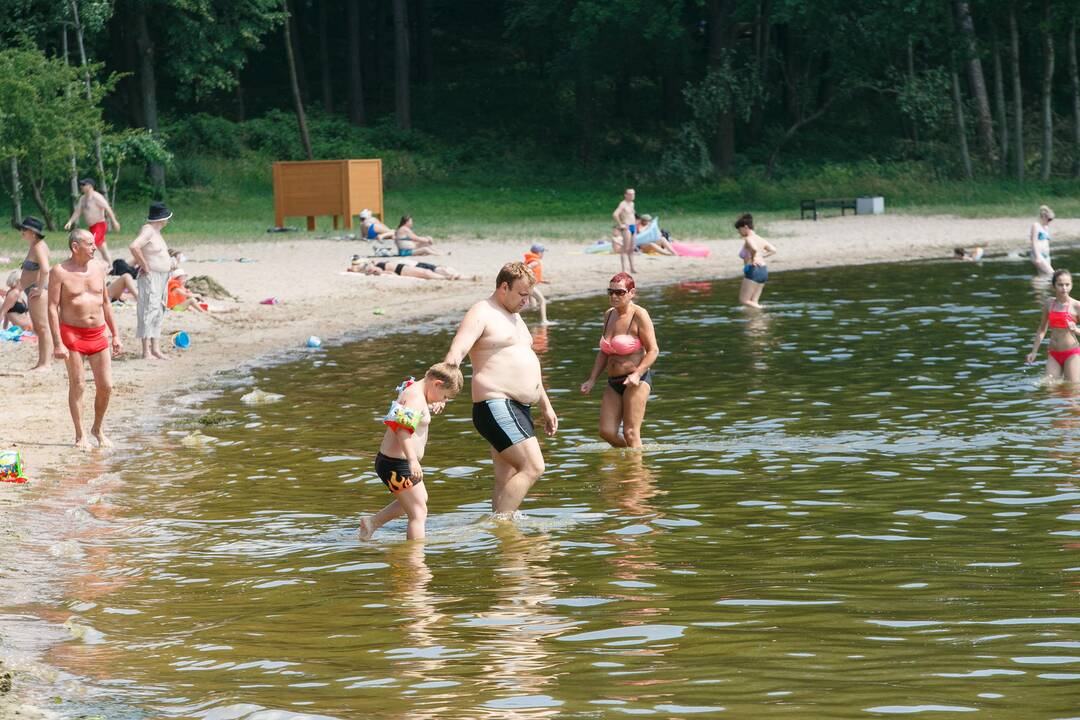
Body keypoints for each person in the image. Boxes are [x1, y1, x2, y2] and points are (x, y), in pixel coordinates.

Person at [444, 262, 559, 515]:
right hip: (496, 403)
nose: (526, 302)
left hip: (518, 407)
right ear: (504, 287)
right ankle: (501, 526)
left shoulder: (514, 317)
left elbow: (528, 362)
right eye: (522, 295)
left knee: (505, 478)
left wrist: (546, 406)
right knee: (533, 466)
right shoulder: (482, 312)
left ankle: (505, 548)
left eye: (529, 296)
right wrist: (442, 386)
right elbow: (457, 350)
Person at [357, 363, 464, 541]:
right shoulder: (415, 397)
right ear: (436, 383)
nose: (443, 401)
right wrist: (413, 460)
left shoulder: (418, 393)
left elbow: (416, 412)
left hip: (396, 462)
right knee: (418, 512)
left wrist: (433, 404)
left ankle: (372, 523)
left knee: (419, 498)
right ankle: (414, 562)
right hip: (396, 463)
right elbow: (401, 430)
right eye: (444, 397)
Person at [47, 229, 122, 449]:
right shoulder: (59, 271)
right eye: (90, 244)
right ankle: (80, 435)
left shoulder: (99, 268)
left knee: (106, 385)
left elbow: (106, 302)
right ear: (75, 247)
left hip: (98, 332)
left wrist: (115, 333)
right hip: (72, 333)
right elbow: (52, 307)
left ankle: (97, 428)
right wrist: (58, 342)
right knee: (78, 384)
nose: (95, 247)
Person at [580, 272, 658, 448]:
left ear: (632, 293)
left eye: (620, 292)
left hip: (636, 380)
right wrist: (592, 379)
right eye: (610, 292)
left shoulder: (640, 315)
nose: (614, 296)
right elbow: (604, 351)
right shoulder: (609, 315)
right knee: (606, 432)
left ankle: (636, 473)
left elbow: (653, 350)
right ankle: (631, 461)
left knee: (630, 433)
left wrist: (637, 374)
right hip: (613, 381)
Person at [0, 217, 53, 370]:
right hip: (34, 289)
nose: (21, 232)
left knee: (42, 327)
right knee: (38, 328)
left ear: (32, 232)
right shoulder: (36, 245)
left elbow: (45, 269)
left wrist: (39, 287)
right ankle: (41, 362)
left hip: (38, 290)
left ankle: (46, 363)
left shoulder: (38, 246)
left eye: (24, 230)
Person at [129, 202, 175, 360]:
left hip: (162, 276)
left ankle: (155, 349)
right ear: (162, 219)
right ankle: (146, 351)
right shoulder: (148, 230)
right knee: (148, 310)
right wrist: (145, 266)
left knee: (159, 310)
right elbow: (134, 247)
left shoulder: (156, 232)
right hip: (151, 277)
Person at [1025, 269, 1080, 382]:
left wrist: (1076, 329)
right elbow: (1042, 329)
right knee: (1051, 389)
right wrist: (1034, 351)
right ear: (1053, 286)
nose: (1064, 288)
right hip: (1053, 353)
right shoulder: (1049, 303)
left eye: (1067, 284)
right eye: (1060, 285)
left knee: (1072, 391)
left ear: (1071, 285)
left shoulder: (1076, 306)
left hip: (1071, 353)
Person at [64, 178, 121, 265]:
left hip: (99, 225)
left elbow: (108, 209)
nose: (81, 187)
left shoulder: (97, 197)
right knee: (102, 247)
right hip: (92, 227)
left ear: (90, 186)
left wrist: (114, 222)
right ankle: (110, 266)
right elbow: (77, 211)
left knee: (89, 244)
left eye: (84, 185)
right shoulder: (83, 199)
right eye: (81, 185)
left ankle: (85, 262)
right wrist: (70, 222)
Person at [735, 213, 776, 309]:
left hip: (753, 270)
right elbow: (774, 250)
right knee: (753, 302)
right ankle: (757, 322)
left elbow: (754, 249)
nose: (739, 233)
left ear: (745, 227)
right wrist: (761, 257)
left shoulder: (749, 239)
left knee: (744, 300)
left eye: (739, 230)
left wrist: (753, 258)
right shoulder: (760, 238)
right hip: (763, 270)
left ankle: (762, 309)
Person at [356, 259, 463, 280]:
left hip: (401, 268)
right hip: (401, 270)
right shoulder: (376, 268)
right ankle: (446, 278)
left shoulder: (376, 264)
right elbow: (381, 272)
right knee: (426, 273)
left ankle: (448, 277)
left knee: (427, 272)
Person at [612, 188, 637, 274]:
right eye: (630, 194)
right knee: (625, 248)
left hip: (633, 226)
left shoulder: (632, 204)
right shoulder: (623, 204)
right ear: (625, 195)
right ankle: (623, 269)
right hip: (627, 227)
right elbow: (615, 214)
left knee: (632, 248)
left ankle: (632, 268)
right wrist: (621, 224)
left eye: (633, 194)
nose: (632, 196)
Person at [523, 243, 550, 325]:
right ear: (539, 253)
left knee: (532, 306)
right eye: (543, 252)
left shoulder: (533, 260)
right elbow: (526, 268)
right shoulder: (535, 262)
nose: (543, 254)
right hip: (529, 285)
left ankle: (512, 312)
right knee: (542, 300)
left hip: (528, 284)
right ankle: (544, 321)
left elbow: (534, 274)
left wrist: (542, 280)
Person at [1030, 205, 1055, 277]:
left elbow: (1046, 242)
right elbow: (1034, 242)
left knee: (1043, 275)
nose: (1050, 222)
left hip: (1046, 255)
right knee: (1052, 274)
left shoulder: (1046, 227)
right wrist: (1038, 256)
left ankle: (1039, 287)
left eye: (1051, 220)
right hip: (1038, 255)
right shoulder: (1036, 225)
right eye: (1049, 219)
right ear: (1043, 217)